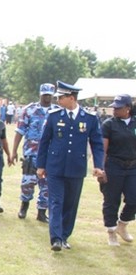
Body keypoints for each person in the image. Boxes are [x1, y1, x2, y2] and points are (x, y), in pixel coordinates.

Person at [36, 80, 104, 251]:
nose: (57, 100)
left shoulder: (89, 118)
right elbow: (44, 142)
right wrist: (41, 165)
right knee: (56, 202)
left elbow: (97, 143)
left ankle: (65, 235)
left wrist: (98, 165)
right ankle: (56, 239)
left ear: (71, 98)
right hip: (55, 167)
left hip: (76, 167)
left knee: (70, 204)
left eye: (61, 97)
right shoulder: (54, 116)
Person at [11, 83, 56, 222]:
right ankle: (24, 206)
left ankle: (41, 212)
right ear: (40, 94)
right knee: (28, 182)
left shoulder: (57, 111)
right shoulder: (29, 110)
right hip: (32, 153)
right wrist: (14, 151)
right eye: (44, 95)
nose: (47, 97)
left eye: (49, 95)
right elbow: (20, 131)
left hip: (50, 155)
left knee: (47, 185)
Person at [98, 94, 136, 246]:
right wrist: (101, 169)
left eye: (118, 107)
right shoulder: (109, 125)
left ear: (128, 108)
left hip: (133, 166)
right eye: (114, 107)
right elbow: (103, 149)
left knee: (134, 198)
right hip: (114, 165)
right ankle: (111, 231)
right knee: (111, 200)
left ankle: (123, 224)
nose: (114, 110)